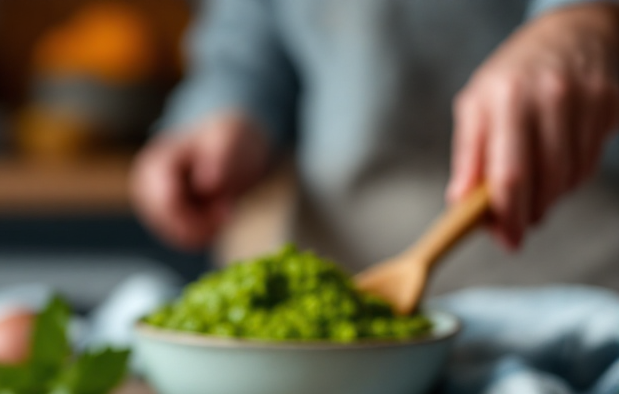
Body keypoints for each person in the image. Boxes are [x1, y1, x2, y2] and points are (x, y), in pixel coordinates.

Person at [131, 0, 619, 291]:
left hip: (584, 279)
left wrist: (585, 19)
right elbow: (250, 27)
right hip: (342, 266)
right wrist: (226, 109)